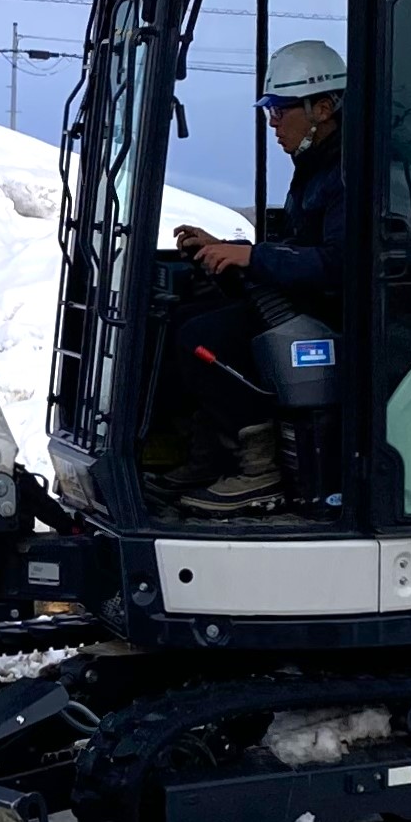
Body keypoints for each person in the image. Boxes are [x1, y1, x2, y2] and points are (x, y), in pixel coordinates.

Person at [158, 38, 349, 514]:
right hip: (304, 300)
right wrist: (227, 250)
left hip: (331, 314)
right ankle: (208, 454)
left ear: (322, 108)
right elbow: (300, 247)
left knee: (202, 337)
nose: (272, 122)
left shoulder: (348, 174)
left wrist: (251, 258)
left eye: (281, 110)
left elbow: (338, 264)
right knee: (179, 317)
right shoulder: (315, 167)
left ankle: (260, 468)